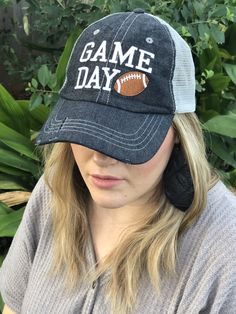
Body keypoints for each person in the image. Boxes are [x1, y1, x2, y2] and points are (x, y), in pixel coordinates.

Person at [0, 9, 236, 314]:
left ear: (178, 132)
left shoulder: (223, 250)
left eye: (125, 134)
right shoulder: (55, 192)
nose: (100, 157)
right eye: (84, 128)